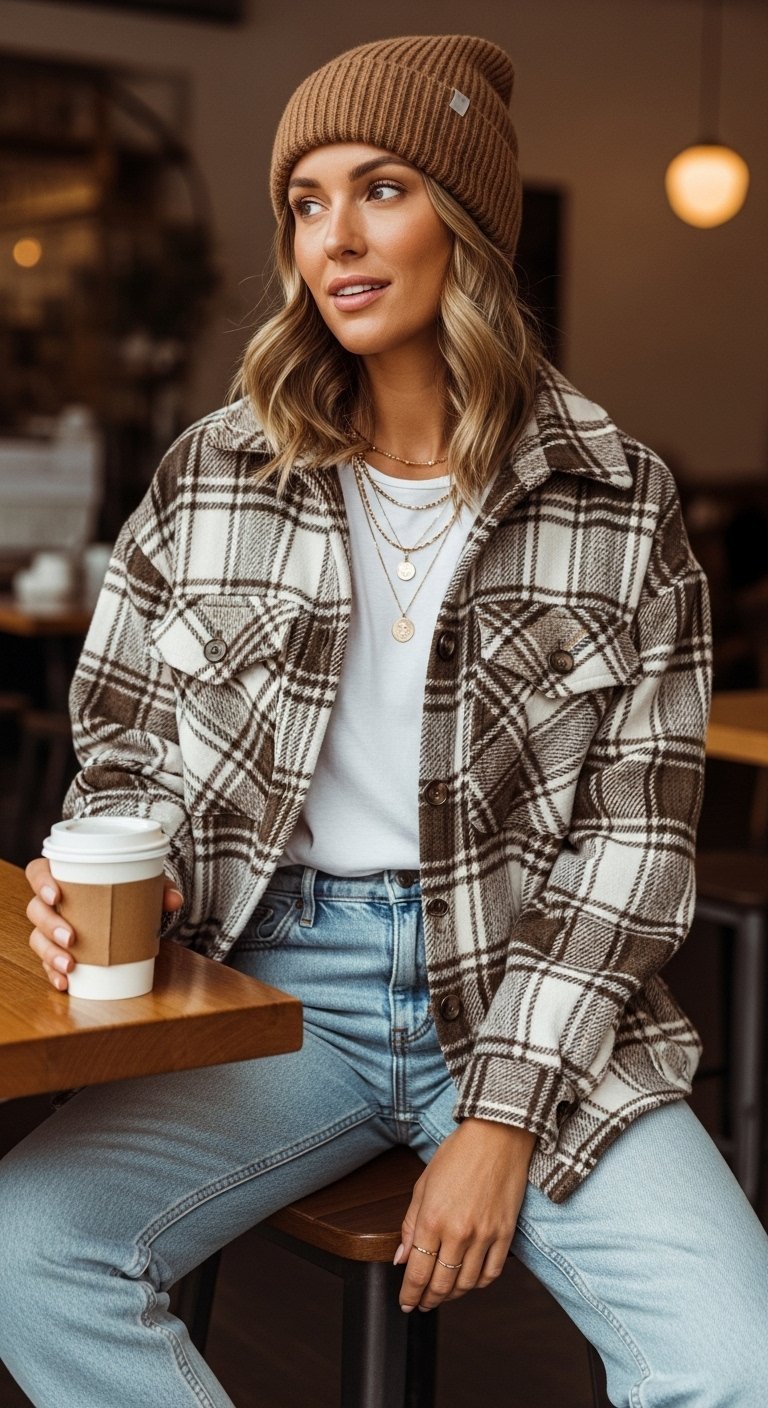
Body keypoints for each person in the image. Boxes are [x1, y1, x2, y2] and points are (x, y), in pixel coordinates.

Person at [1, 33, 766, 1408]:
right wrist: (129, 865)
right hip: (280, 991)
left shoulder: (618, 498)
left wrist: (501, 1116)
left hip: (538, 994)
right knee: (23, 1250)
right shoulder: (214, 474)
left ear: (467, 222)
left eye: (383, 189)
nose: (335, 238)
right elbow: (126, 744)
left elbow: (635, 848)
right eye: (307, 201)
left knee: (741, 1359)